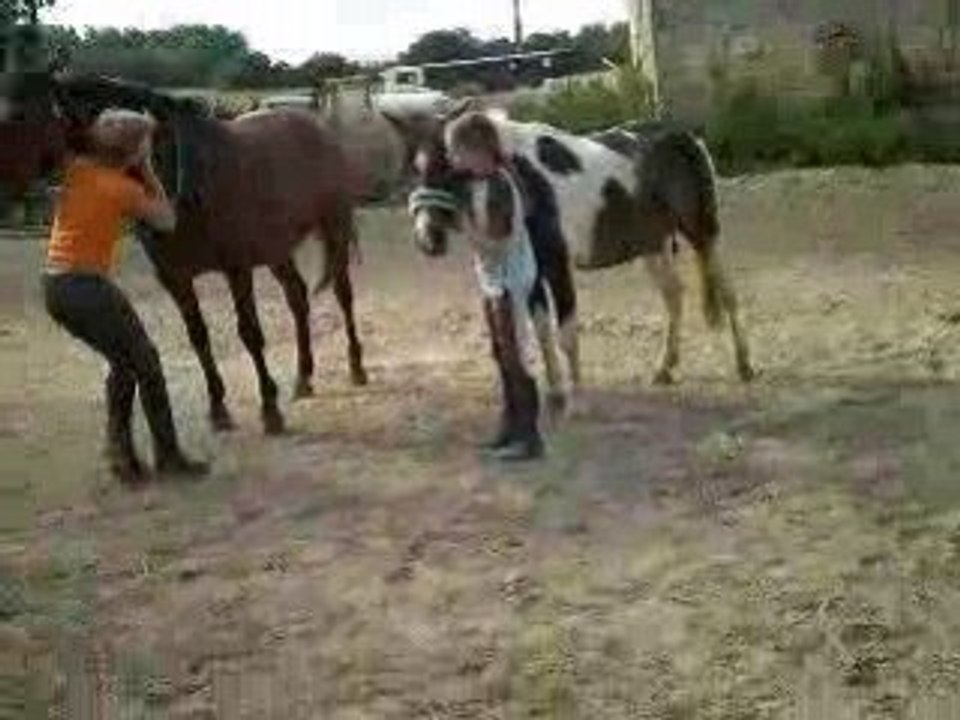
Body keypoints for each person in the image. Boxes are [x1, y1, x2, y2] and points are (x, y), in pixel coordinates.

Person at [43, 108, 209, 486]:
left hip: (57, 286)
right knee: (146, 364)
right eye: (146, 144)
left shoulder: (79, 169)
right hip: (84, 287)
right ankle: (167, 458)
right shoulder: (124, 188)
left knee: (124, 363)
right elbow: (167, 220)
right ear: (134, 150)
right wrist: (148, 169)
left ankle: (123, 458)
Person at [446, 112, 544, 461]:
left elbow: (498, 244)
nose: (455, 160)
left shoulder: (501, 185)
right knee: (501, 352)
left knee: (515, 354)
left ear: (478, 150)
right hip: (494, 280)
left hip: (510, 278)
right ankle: (511, 425)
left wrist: (465, 228)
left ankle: (528, 436)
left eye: (459, 153)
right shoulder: (482, 182)